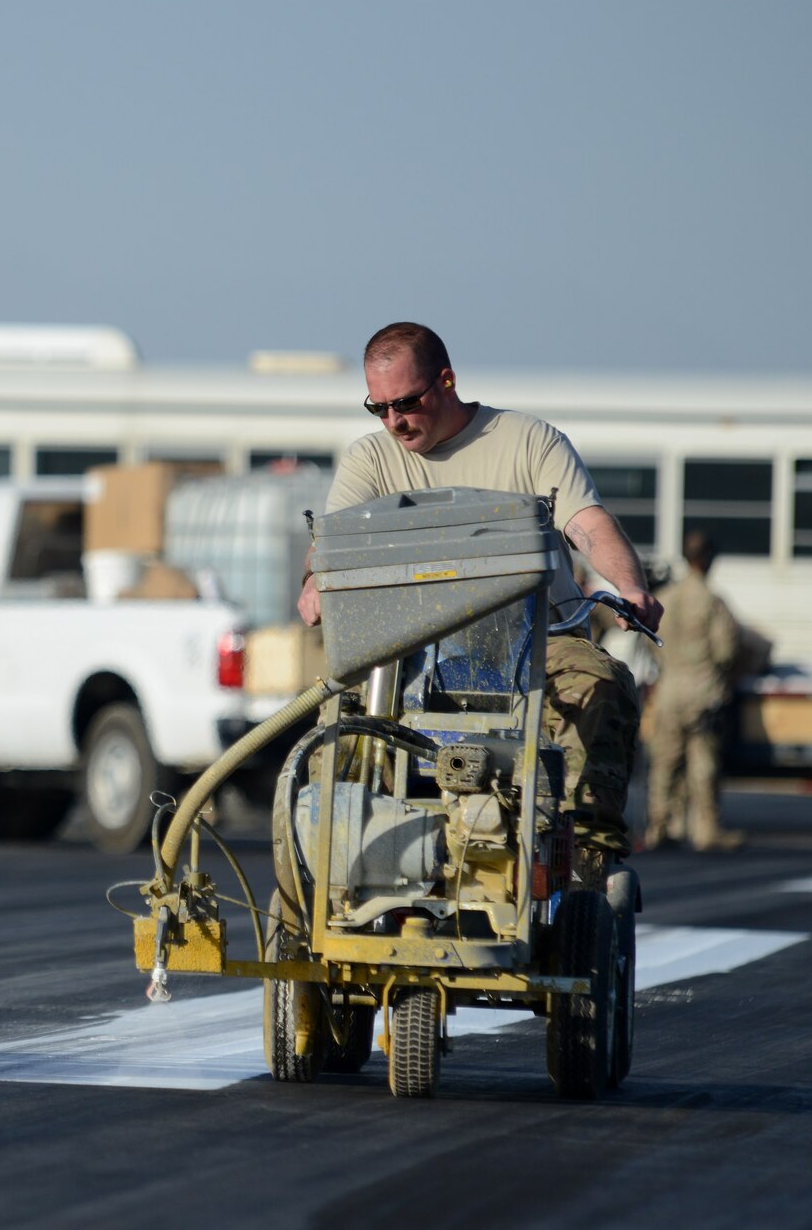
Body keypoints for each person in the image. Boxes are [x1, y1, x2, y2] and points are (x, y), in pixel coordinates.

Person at [298, 322, 662, 884]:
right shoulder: (371, 461)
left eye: (407, 403)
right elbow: (333, 547)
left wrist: (629, 586)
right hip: (413, 655)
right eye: (379, 408)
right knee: (331, 726)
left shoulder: (526, 441)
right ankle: (326, 876)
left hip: (538, 641)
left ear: (446, 381)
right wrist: (314, 581)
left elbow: (586, 523)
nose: (394, 421)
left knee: (599, 684)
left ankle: (583, 862)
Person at [643, 531, 743, 852]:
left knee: (665, 761)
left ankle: (659, 826)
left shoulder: (667, 598)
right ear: (710, 559)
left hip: (670, 689)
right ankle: (706, 829)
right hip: (703, 689)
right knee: (703, 760)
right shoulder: (713, 602)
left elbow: (650, 643)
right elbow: (727, 650)